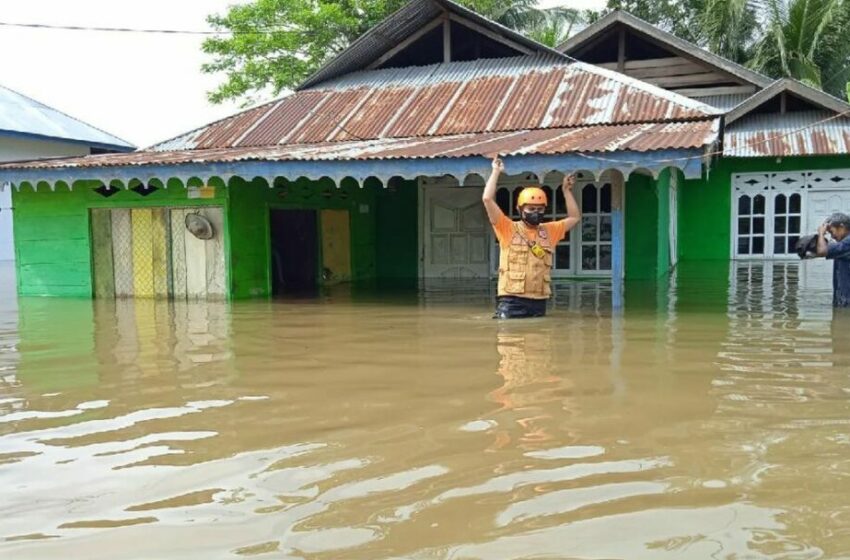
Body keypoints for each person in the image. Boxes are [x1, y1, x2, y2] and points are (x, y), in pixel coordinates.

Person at [482, 156, 581, 319]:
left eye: (540, 209)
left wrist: (566, 191)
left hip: (539, 302)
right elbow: (487, 199)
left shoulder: (549, 231)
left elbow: (574, 217)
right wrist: (496, 172)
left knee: (539, 343)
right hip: (511, 301)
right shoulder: (507, 228)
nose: (536, 212)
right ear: (520, 209)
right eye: (531, 208)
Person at [816, 212, 850, 307]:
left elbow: (821, 251)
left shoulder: (848, 242)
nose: (832, 236)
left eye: (832, 232)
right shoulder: (844, 243)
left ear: (842, 227)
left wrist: (821, 234)